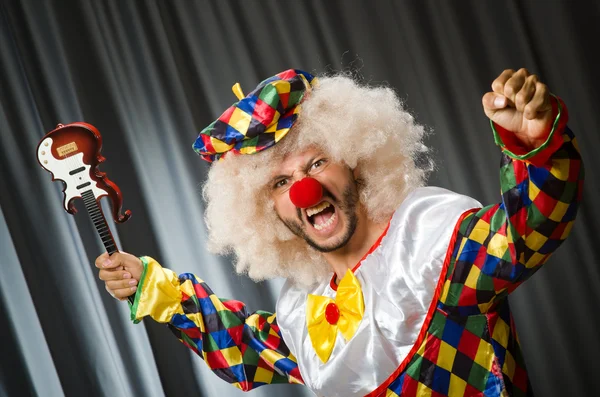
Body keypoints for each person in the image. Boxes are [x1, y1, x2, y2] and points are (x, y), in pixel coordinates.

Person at [95, 68, 583, 396]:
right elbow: (243, 345)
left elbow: (527, 229)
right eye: (281, 182)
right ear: (267, 210)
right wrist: (154, 288)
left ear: (354, 160)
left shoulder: (431, 247)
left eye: (317, 163)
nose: (305, 190)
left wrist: (534, 145)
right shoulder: (304, 314)